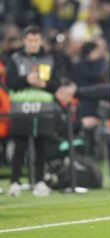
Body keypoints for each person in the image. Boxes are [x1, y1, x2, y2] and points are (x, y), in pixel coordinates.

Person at [6, 25, 60, 197]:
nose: (33, 43)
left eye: (36, 40)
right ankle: (14, 182)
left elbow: (56, 84)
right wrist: (26, 79)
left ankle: (39, 181)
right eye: (30, 40)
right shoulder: (15, 59)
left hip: (43, 111)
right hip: (21, 110)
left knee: (41, 148)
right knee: (20, 147)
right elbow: (10, 83)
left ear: (40, 40)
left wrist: (44, 85)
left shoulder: (50, 59)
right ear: (24, 41)